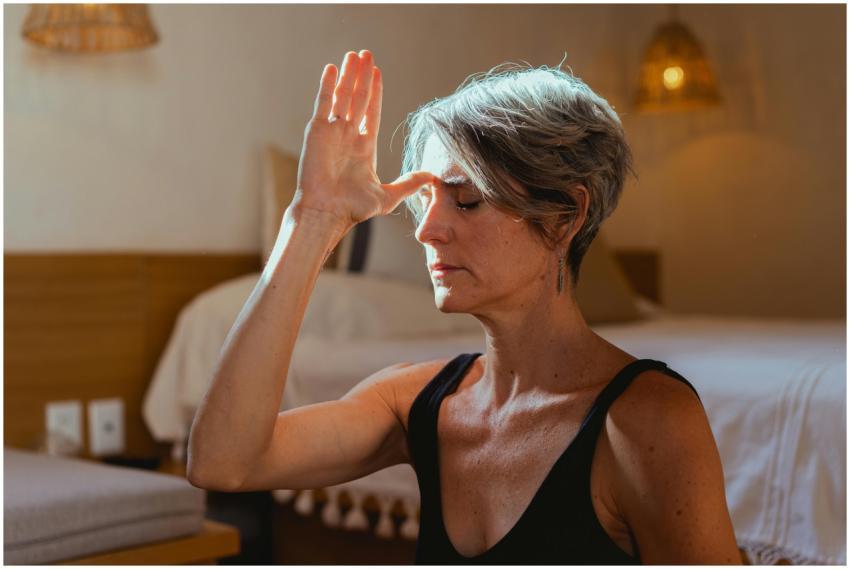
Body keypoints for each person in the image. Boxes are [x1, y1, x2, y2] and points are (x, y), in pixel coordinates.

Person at [187, 49, 742, 564]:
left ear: (564, 217)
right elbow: (222, 462)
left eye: (467, 200)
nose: (427, 229)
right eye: (427, 200)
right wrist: (312, 220)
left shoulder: (648, 421)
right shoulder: (414, 404)